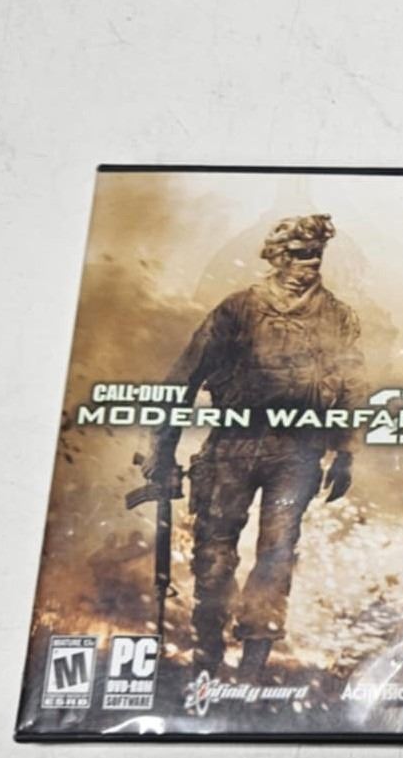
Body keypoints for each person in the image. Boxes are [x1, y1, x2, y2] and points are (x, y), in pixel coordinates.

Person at [142, 214, 364, 679]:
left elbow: (351, 386)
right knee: (214, 552)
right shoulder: (238, 309)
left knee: (278, 552)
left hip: (297, 451)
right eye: (299, 254)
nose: (309, 263)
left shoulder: (338, 317)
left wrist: (345, 453)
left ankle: (254, 664)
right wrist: (162, 449)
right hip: (232, 446)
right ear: (278, 256)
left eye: (316, 254)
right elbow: (184, 377)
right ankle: (207, 653)